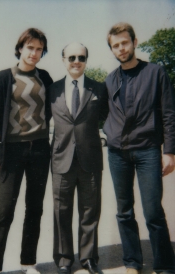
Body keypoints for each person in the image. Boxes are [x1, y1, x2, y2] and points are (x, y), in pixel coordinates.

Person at [103, 22, 175, 274]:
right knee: (124, 211)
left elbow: (168, 114)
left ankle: (165, 265)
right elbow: (104, 113)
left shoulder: (156, 73)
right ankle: (132, 262)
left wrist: (169, 151)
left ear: (134, 42)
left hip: (148, 151)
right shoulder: (110, 80)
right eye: (115, 46)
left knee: (153, 210)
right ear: (112, 50)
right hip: (117, 154)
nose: (121, 48)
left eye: (124, 42)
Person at [0, 28, 53, 274]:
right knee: (4, 211)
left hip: (40, 150)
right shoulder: (4, 78)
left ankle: (28, 263)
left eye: (39, 49)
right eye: (30, 47)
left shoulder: (45, 77)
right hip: (11, 151)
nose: (34, 53)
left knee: (35, 208)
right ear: (20, 48)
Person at [49, 42, 108, 274]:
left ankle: (89, 258)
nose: (76, 61)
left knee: (90, 210)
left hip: (90, 160)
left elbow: (106, 117)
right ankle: (64, 260)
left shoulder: (99, 89)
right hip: (61, 159)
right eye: (71, 57)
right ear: (63, 60)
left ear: (86, 60)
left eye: (81, 57)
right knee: (61, 211)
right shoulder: (52, 90)